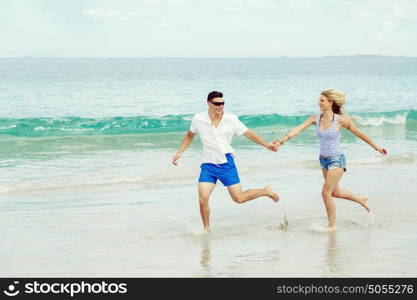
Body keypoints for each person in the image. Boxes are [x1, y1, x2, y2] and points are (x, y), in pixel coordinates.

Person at [273, 89, 388, 231]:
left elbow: (359, 134)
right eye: (319, 99)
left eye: (322, 100)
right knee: (335, 192)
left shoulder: (341, 120)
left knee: (325, 193)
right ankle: (360, 199)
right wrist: (281, 141)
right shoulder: (315, 118)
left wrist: (377, 147)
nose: (319, 102)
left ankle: (332, 226)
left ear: (330, 102)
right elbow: (297, 129)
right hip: (323, 160)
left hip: (336, 160)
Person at [172, 91, 279, 230]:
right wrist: (179, 153)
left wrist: (267, 145)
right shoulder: (199, 118)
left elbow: (249, 133)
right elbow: (189, 135)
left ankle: (266, 191)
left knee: (238, 198)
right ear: (209, 103)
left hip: (226, 163)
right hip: (208, 165)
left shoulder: (231, 119)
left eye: (222, 103)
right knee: (203, 198)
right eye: (217, 103)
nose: (220, 106)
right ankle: (207, 229)